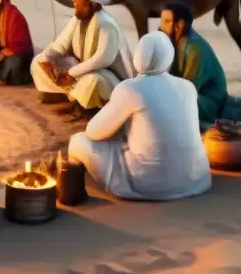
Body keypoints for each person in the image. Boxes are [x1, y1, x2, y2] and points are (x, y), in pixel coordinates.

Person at [68, 32, 211, 200]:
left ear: (138, 56)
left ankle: (72, 190)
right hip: (195, 180)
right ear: (169, 57)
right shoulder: (187, 87)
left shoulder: (131, 88)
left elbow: (94, 132)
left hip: (145, 184)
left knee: (78, 141)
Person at [30, 0, 133, 122]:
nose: (73, 0)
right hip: (81, 70)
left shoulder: (106, 25)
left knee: (92, 80)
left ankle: (85, 108)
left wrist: (72, 73)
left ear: (89, 3)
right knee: (38, 61)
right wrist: (47, 59)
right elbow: (61, 44)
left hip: (107, 77)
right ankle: (70, 98)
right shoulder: (77, 19)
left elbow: (102, 59)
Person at [159, 2, 241, 129]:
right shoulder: (174, 42)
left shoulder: (195, 48)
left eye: (166, 21)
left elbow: (189, 88)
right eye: (162, 21)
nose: (161, 26)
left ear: (180, 25)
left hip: (208, 102)